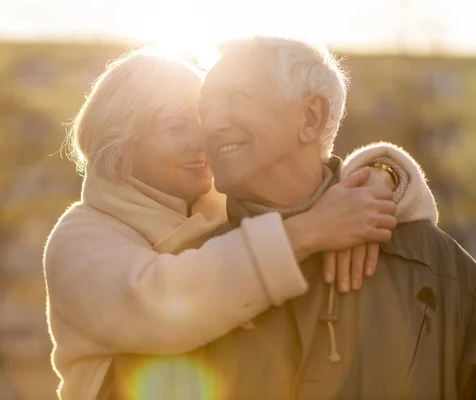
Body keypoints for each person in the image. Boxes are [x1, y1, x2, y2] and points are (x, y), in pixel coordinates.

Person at [43, 48, 438, 400]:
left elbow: (305, 179)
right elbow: (164, 303)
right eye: (177, 126)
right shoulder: (80, 238)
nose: (204, 138)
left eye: (204, 120)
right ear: (119, 142)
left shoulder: (219, 205)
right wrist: (312, 230)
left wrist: (382, 175)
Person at [194, 36, 476, 399]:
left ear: (311, 117)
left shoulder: (432, 265)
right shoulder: (187, 270)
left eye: (237, 98)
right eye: (205, 109)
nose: (212, 124)